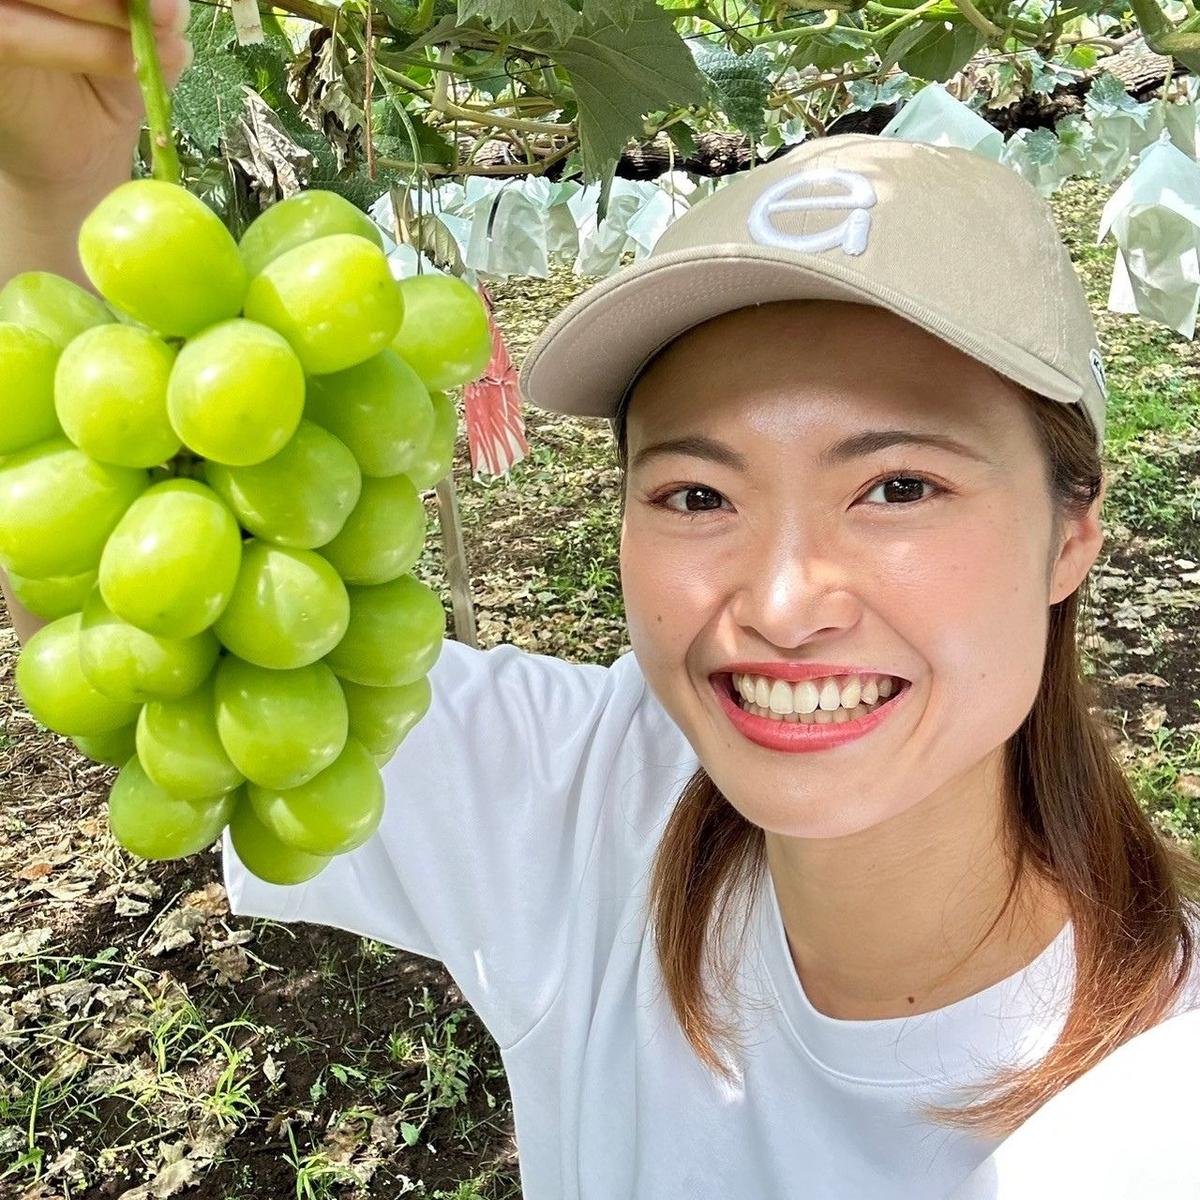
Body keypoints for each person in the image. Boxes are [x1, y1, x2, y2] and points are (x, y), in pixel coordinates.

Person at [2, 13, 1200, 1199]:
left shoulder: (1165, 1111)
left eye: (898, 487)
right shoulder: (588, 794)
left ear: (1073, 532)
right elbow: (134, 618)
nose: (783, 603)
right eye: (694, 492)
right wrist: (55, 178)